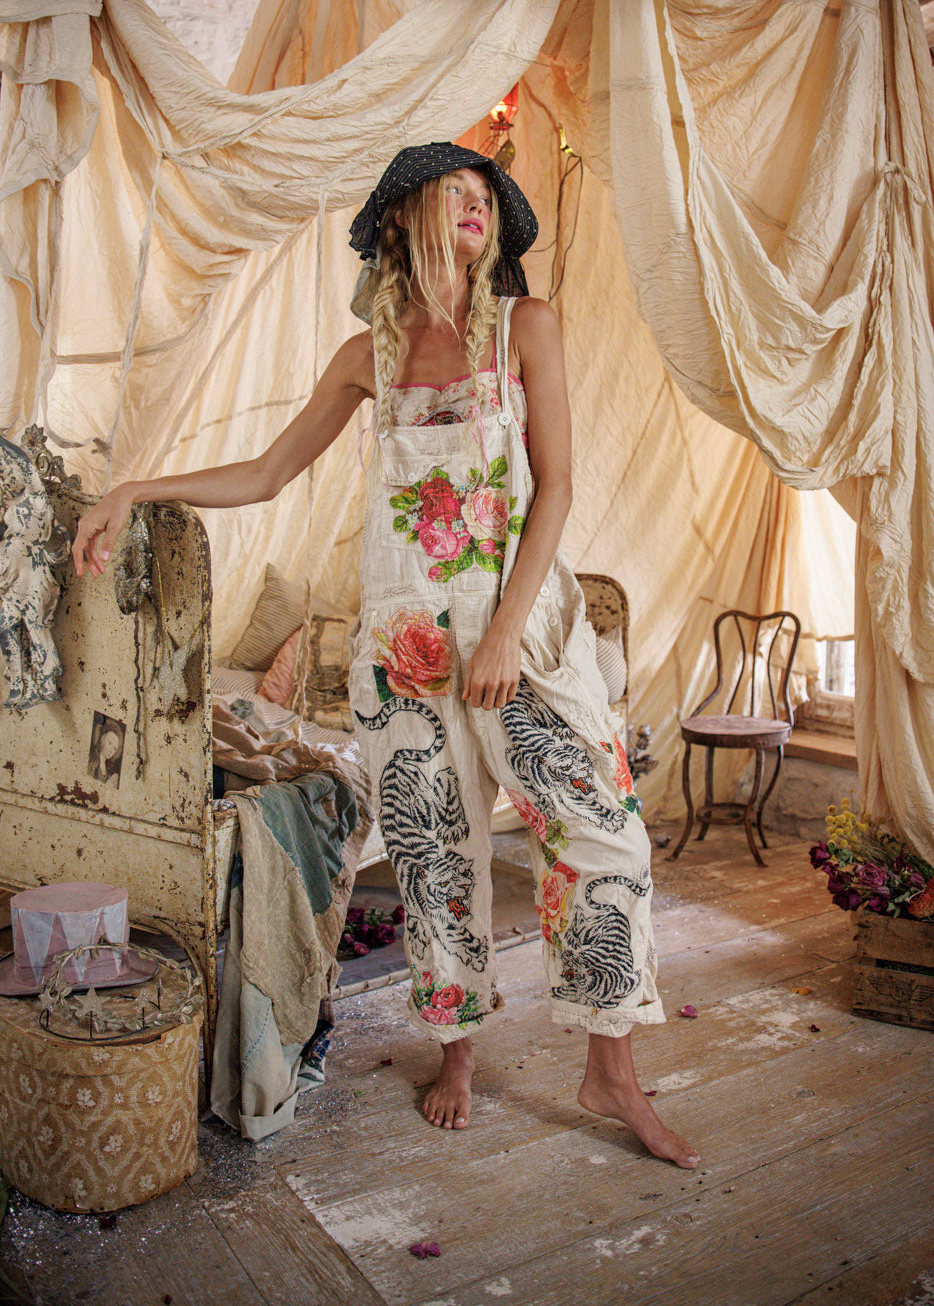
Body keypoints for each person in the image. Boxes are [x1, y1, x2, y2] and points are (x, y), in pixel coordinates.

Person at [73, 141, 699, 1169]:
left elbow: (556, 488)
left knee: (605, 838)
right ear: (402, 215)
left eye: (483, 193)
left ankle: (611, 1069)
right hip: (404, 651)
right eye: (452, 190)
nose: (473, 204)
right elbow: (268, 472)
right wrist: (138, 488)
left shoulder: (527, 326)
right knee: (433, 854)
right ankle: (457, 1053)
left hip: (521, 633)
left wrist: (505, 629)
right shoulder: (368, 354)